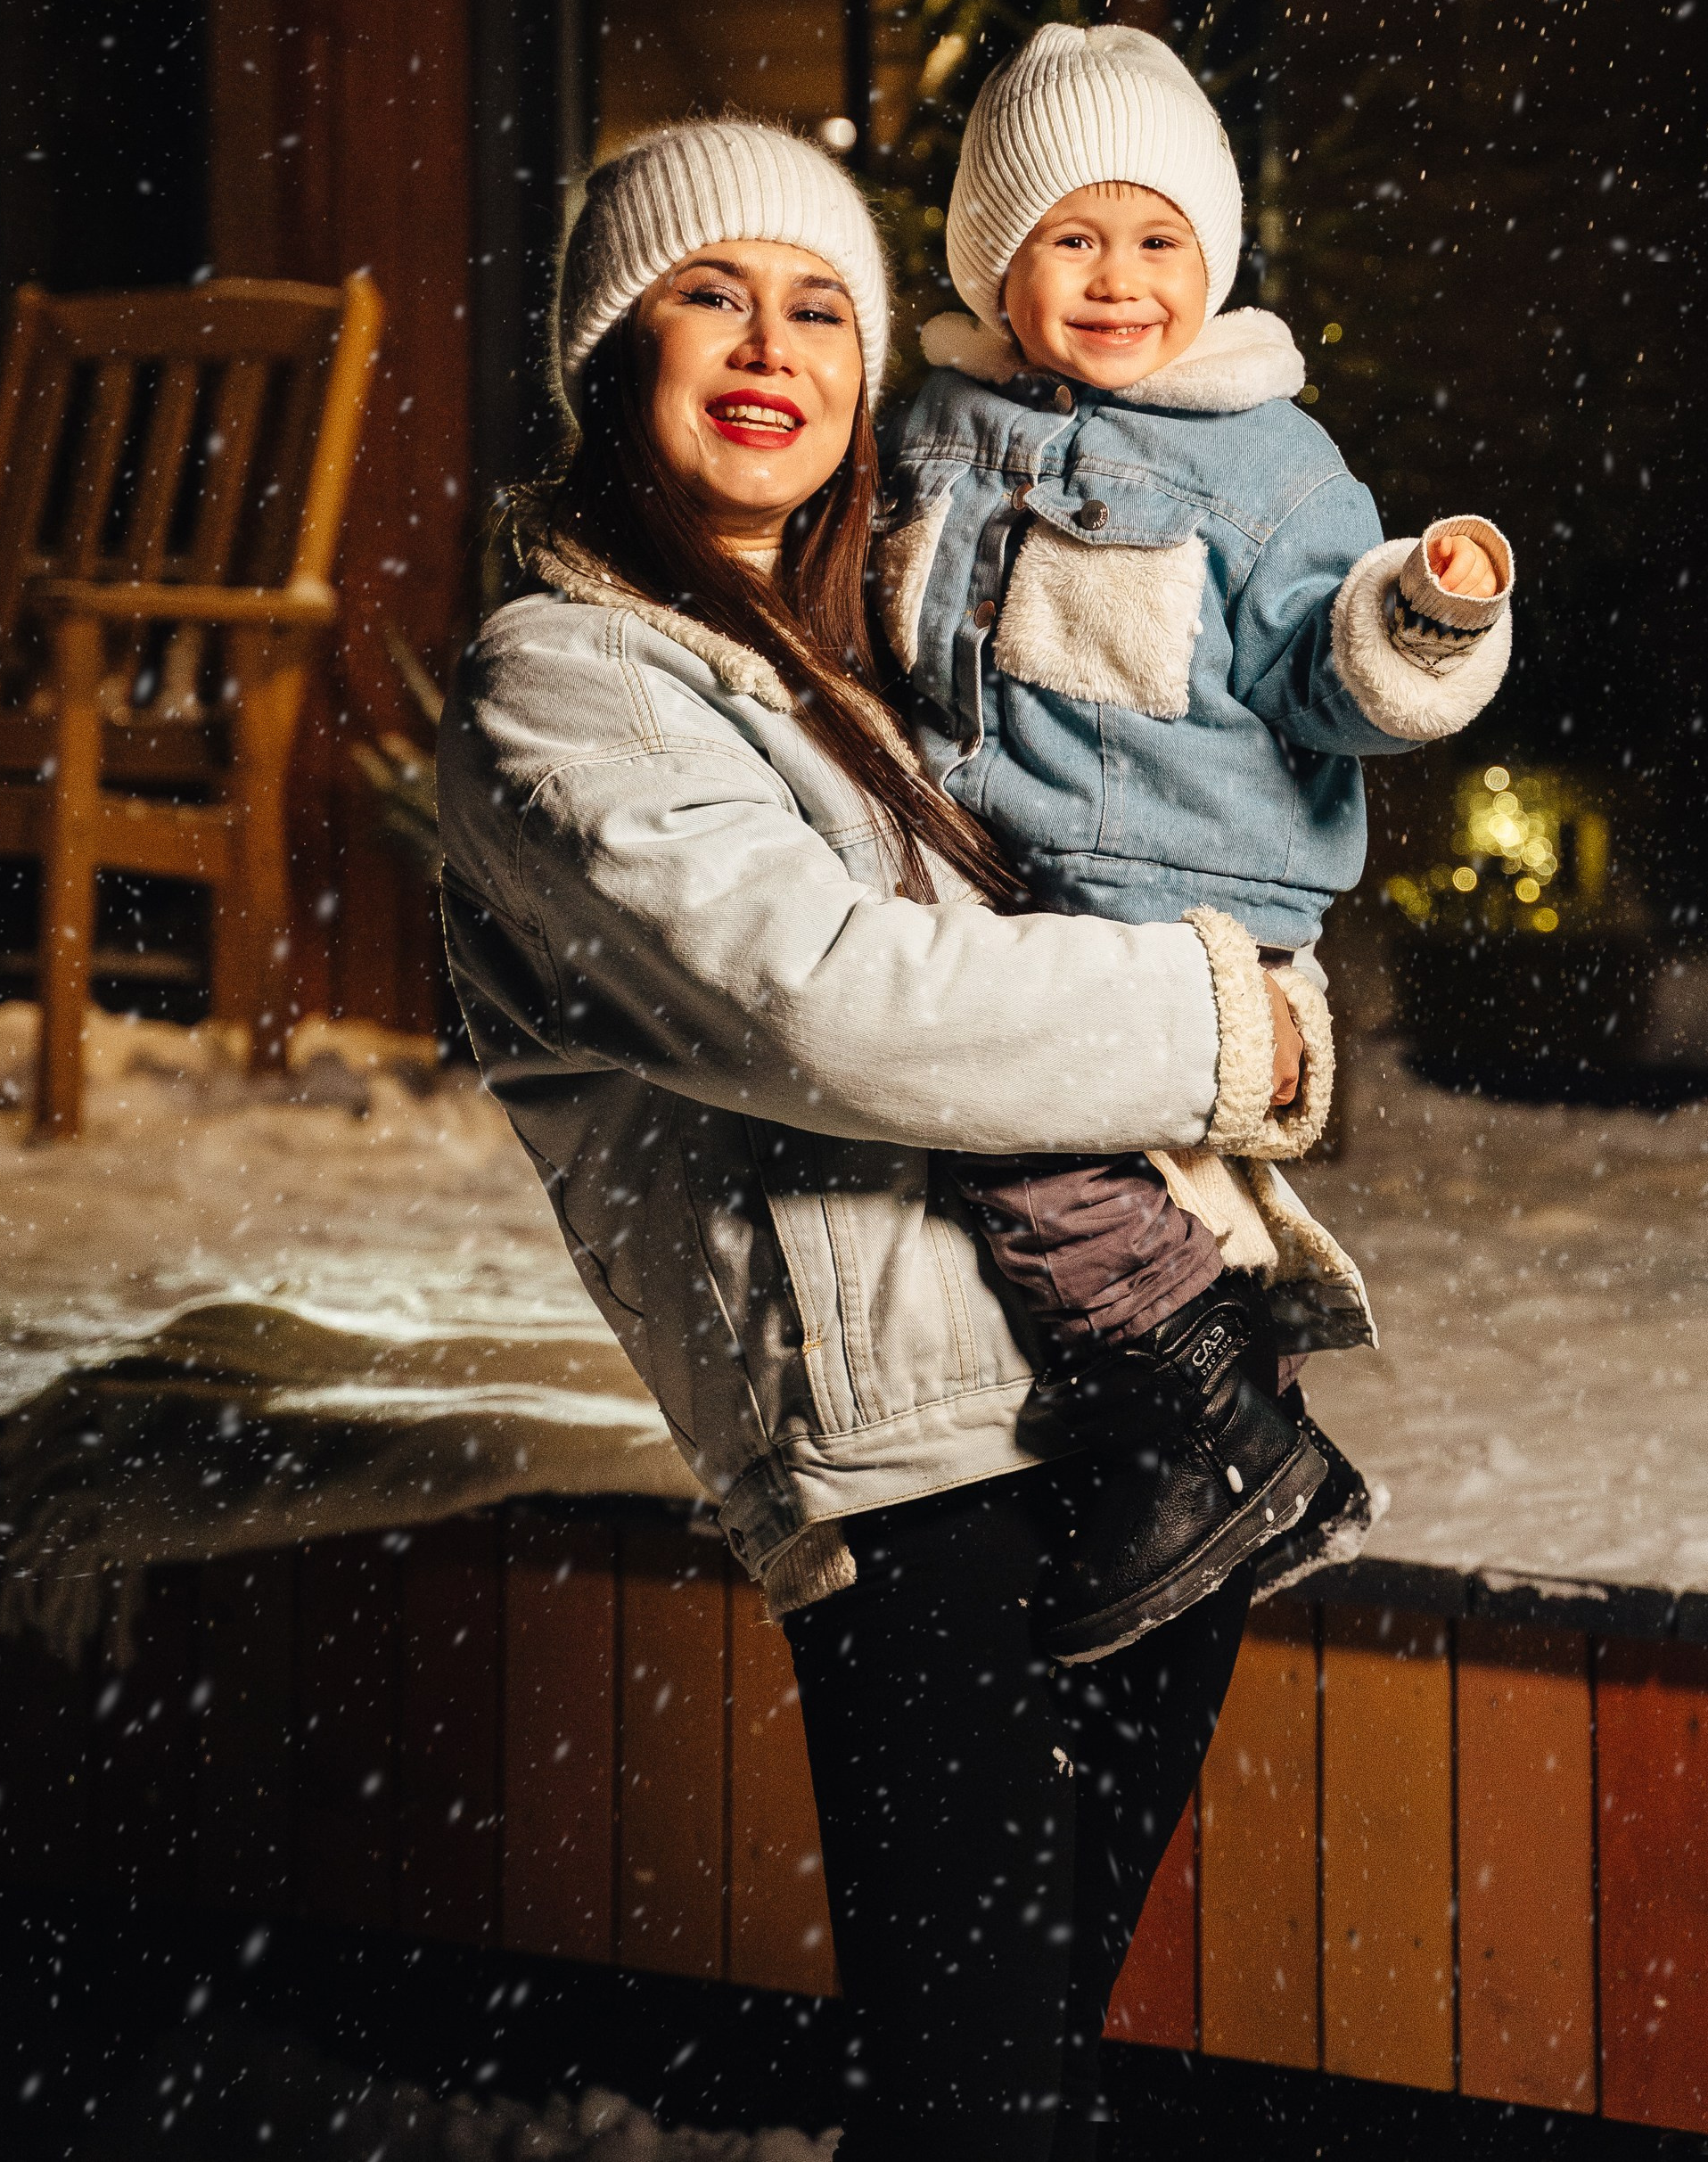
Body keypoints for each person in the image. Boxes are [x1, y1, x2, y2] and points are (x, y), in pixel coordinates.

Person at [437, 116, 1367, 2162]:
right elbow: (832, 1002)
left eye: (820, 303)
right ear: (611, 355)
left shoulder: (873, 659)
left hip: (1144, 1410)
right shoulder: (563, 685)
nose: (770, 342)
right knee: (980, 2091)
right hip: (908, 1466)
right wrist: (1235, 1018)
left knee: (1008, 2080)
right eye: (710, 293)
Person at [881, 21, 1515, 1662]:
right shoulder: (931, 427)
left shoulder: (1264, 462)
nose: (1116, 278)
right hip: (991, 868)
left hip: (1175, 898)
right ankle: (1185, 1448)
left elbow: (1330, 667)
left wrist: (1425, 616)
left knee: (1026, 1145)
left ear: (1213, 261)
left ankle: (1221, 1408)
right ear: (992, 259)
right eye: (1070, 239)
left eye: (1157, 241)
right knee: (997, 1156)